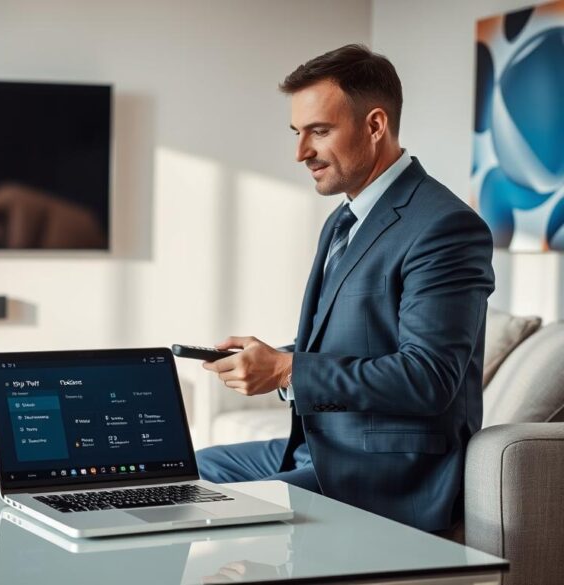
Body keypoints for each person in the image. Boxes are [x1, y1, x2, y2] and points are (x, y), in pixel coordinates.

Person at [195, 44, 494, 533]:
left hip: (386, 472)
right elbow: (354, 345)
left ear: (375, 125)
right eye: (297, 133)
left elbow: (429, 378)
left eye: (319, 131)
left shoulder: (445, 227)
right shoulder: (344, 219)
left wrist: (289, 371)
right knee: (187, 470)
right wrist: (272, 357)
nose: (300, 152)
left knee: (228, 512)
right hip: (321, 446)